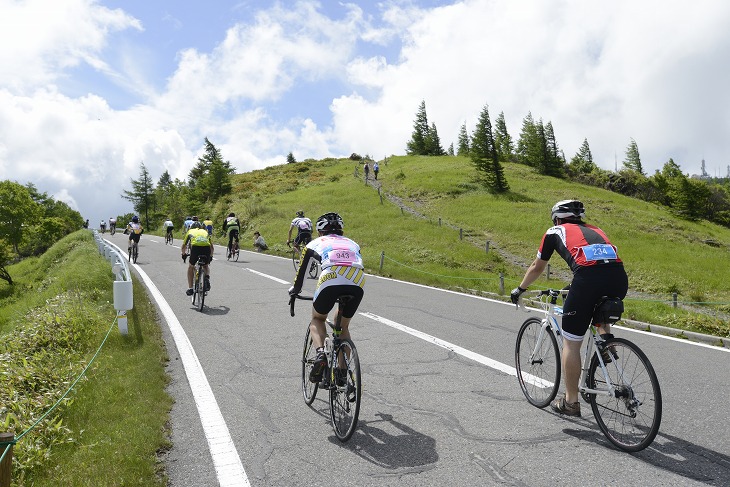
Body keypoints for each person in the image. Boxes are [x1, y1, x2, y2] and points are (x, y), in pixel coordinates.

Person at [510, 200, 628, 417]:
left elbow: (537, 266)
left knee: (571, 343)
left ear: (557, 218)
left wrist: (520, 289)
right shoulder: (597, 230)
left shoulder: (554, 231)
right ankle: (606, 343)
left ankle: (571, 403)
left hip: (587, 279)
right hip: (619, 278)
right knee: (597, 305)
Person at [288, 212, 365, 384]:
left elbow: (301, 274)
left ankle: (321, 354)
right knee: (342, 325)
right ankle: (342, 374)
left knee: (317, 318)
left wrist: (294, 291)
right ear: (341, 231)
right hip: (357, 281)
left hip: (330, 279)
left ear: (320, 231)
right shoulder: (353, 243)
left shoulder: (315, 243)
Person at [182, 221, 213, 296]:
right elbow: (212, 247)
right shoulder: (205, 232)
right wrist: (211, 256)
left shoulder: (190, 231)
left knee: (191, 267)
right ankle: (207, 278)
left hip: (196, 247)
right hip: (206, 248)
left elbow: (184, 246)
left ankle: (190, 288)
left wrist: (184, 255)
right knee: (205, 265)